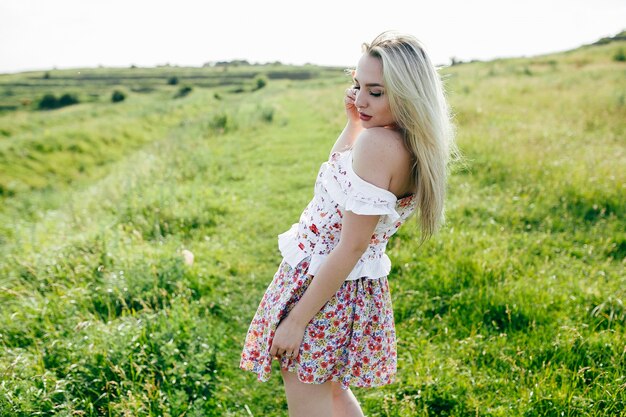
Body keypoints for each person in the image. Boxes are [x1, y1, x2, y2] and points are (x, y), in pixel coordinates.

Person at [240, 30, 456, 417]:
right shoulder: (396, 142)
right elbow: (338, 179)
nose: (360, 99)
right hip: (345, 288)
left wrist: (296, 320)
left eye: (376, 91)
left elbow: (351, 245)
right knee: (332, 392)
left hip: (324, 288)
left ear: (408, 93)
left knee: (308, 395)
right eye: (358, 86)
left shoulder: (378, 146)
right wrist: (354, 123)